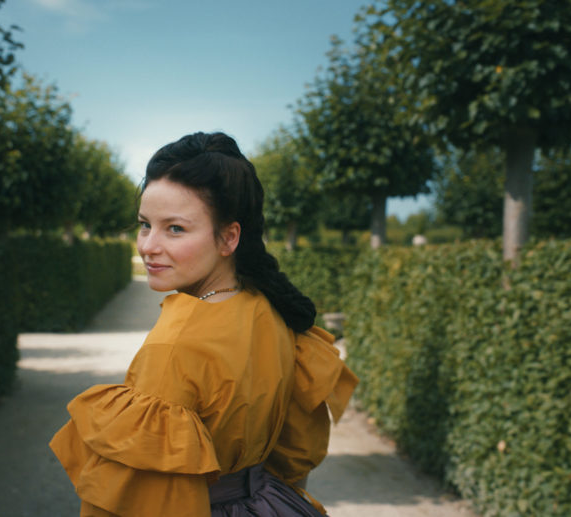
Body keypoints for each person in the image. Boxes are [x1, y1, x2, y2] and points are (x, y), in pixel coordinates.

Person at [50, 131, 358, 517]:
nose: (147, 245)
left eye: (175, 228)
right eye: (145, 224)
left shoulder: (175, 346)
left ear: (229, 237)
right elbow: (296, 458)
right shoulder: (271, 309)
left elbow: (133, 502)